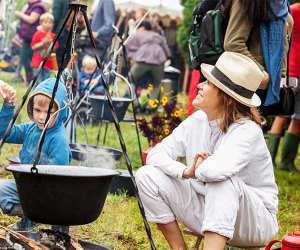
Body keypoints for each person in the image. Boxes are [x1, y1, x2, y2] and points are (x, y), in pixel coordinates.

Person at [136, 52, 278, 250]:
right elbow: (155, 154)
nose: (199, 86)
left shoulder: (248, 131)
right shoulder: (199, 120)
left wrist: (201, 168)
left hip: (253, 223)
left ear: (226, 96)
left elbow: (215, 172)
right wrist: (185, 171)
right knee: (146, 175)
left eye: (208, 83)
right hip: (207, 209)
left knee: (222, 182)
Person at [0, 78, 71, 231]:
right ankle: (28, 217)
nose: (41, 117)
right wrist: (8, 106)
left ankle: (58, 234)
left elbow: (58, 177)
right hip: (27, 188)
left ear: (60, 112)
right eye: (38, 110)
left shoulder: (58, 139)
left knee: (62, 207)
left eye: (49, 113)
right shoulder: (31, 129)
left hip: (50, 194)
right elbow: (5, 133)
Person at [223, 0, 293, 108]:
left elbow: (283, 46)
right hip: (248, 83)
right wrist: (261, 73)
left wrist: (282, 76)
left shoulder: (283, 5)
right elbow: (233, 43)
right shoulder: (247, 2)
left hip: (271, 84)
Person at [267, 1, 300, 171]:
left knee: (295, 117)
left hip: (294, 70)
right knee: (284, 114)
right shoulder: (293, 10)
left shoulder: (292, 9)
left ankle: (285, 162)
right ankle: (271, 161)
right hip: (293, 70)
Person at [126, 20, 171, 99]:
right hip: (159, 62)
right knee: (157, 84)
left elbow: (128, 46)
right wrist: (168, 57)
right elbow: (167, 51)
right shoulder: (158, 36)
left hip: (143, 61)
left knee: (131, 79)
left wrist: (133, 56)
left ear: (142, 28)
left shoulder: (138, 34)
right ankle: (151, 105)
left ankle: (128, 98)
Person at [15, 0, 46, 84]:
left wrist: (19, 14)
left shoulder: (38, 6)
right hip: (27, 38)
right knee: (25, 59)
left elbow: (32, 19)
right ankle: (29, 80)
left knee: (31, 61)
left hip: (34, 39)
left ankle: (33, 81)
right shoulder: (30, 5)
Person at [31, 12, 59, 82]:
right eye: (45, 22)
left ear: (53, 24)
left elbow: (55, 48)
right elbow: (33, 47)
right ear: (41, 23)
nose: (48, 24)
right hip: (37, 63)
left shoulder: (53, 36)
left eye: (50, 23)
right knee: (37, 81)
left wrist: (50, 44)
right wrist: (42, 43)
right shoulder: (38, 34)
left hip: (48, 63)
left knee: (45, 82)